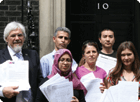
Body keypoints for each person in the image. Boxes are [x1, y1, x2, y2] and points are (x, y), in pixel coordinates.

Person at [0, 21, 43, 102]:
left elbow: (39, 80)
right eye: (13, 35)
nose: (17, 38)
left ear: (24, 38)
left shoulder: (33, 55)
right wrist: (2, 91)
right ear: (6, 39)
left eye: (20, 35)